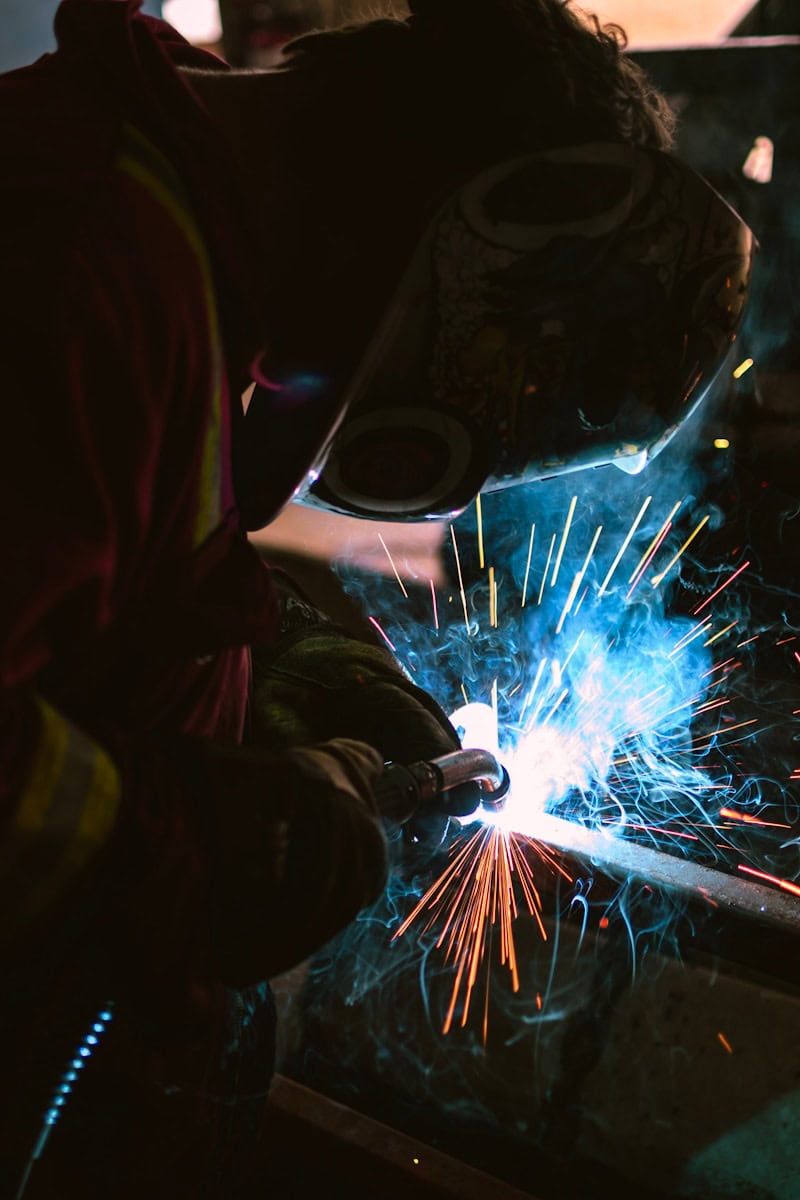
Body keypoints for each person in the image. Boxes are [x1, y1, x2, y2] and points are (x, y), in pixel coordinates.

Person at [0, 1, 753, 1196]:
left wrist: (290, 671)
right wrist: (194, 842)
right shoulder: (81, 261)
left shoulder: (164, 246)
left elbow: (106, 582)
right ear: (467, 230)